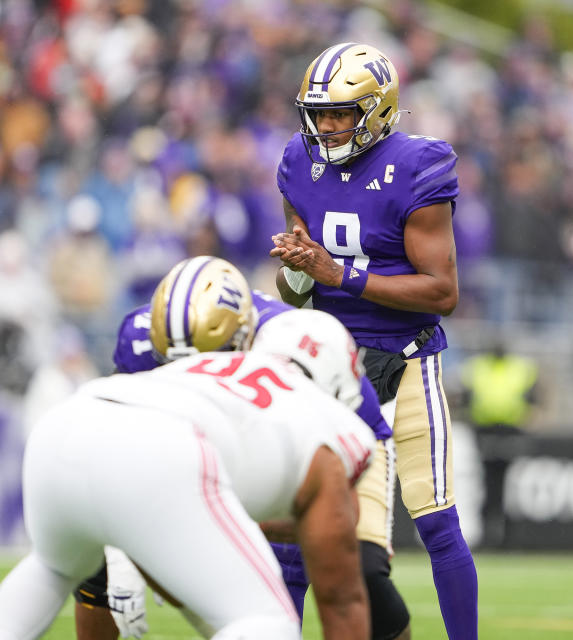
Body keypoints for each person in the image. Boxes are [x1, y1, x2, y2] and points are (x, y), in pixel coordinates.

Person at [74, 256, 401, 639]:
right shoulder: (142, 338)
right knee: (94, 552)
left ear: (243, 337)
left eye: (210, 360)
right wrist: (120, 551)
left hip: (338, 443)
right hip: (230, 447)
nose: (196, 376)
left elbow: (328, 494)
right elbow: (116, 446)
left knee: (357, 572)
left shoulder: (296, 348)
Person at [0, 309, 377, 640]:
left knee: (52, 570)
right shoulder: (334, 425)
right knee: (269, 623)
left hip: (69, 422)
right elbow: (341, 595)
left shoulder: (210, 368)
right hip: (161, 454)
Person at [270, 41, 478, 639]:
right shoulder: (297, 163)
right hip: (326, 364)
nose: (328, 126)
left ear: (379, 109)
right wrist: (298, 268)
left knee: (436, 519)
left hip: (406, 358)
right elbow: (296, 290)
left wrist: (342, 274)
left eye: (342, 113)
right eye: (320, 113)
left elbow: (441, 293)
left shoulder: (418, 165)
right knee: (294, 526)